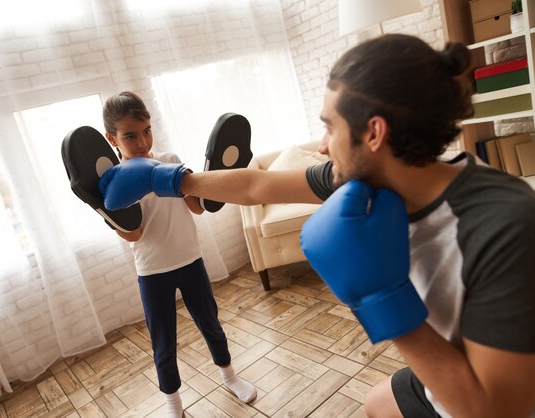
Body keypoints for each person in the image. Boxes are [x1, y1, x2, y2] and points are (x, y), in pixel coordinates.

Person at [99, 35, 535, 418]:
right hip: (448, 361)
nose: (322, 145)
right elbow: (256, 185)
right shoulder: (362, 177)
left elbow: (495, 410)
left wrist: (383, 301)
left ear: (374, 134)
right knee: (377, 404)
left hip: (489, 394)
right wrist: (168, 179)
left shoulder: (504, 227)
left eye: (328, 127)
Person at [97, 91, 257, 418]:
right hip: (152, 271)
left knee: (211, 324)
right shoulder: (117, 183)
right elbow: (135, 233)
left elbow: (196, 208)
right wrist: (103, 210)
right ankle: (174, 404)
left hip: (190, 261)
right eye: (130, 136)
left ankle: (230, 377)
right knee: (164, 342)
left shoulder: (169, 160)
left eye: (146, 130)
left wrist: (215, 181)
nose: (142, 142)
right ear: (111, 138)